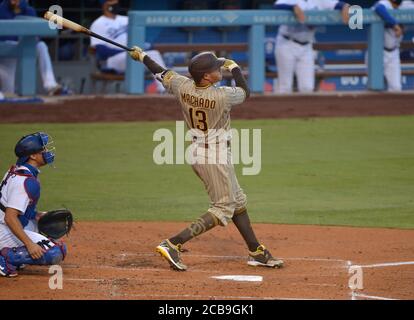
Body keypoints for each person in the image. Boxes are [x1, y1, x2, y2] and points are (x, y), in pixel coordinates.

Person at [129, 47, 284, 271]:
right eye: (216, 68)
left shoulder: (182, 85)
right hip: (214, 155)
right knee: (223, 207)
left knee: (237, 200)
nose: (220, 68)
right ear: (206, 76)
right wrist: (236, 68)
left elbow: (161, 72)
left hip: (200, 151)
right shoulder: (222, 96)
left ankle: (255, 251)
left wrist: (143, 56)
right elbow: (245, 91)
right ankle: (173, 243)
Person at [0, 132, 67, 277]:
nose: (47, 152)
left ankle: (14, 255)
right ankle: (5, 258)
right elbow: (10, 218)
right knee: (54, 253)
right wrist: (30, 245)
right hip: (3, 227)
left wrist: (38, 215)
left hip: (4, 223)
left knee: (51, 235)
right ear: (33, 156)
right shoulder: (25, 181)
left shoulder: (19, 170)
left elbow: (20, 209)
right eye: (43, 150)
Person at [274, 0, 350, 93]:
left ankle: (302, 108)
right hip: (287, 43)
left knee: (307, 87)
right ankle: (283, 107)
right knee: (285, 86)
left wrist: (344, 7)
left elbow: (337, 4)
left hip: (306, 46)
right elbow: (277, 5)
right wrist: (293, 7)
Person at [90, 0, 167, 93]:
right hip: (112, 60)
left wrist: (144, 47)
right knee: (151, 56)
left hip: (132, 56)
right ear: (104, 5)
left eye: (116, 2)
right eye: (111, 3)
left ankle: (163, 89)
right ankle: (165, 88)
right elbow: (101, 50)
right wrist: (126, 51)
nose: (115, 5)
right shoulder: (98, 23)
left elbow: (140, 39)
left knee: (153, 54)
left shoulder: (126, 19)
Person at [0, 0, 68, 96]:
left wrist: (21, 8)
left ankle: (50, 85)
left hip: (22, 47)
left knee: (41, 46)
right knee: (9, 91)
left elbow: (35, 36)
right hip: (6, 52)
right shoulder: (1, 9)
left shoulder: (28, 10)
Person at [372, 0, 414, 92]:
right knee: (375, 87)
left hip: (394, 53)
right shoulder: (385, 3)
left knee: (396, 88)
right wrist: (395, 24)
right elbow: (378, 8)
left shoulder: (406, 4)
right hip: (378, 53)